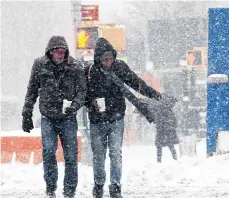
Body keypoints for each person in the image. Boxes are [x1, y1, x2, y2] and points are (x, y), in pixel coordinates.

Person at [84, 38, 161, 198]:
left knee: (115, 153)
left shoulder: (119, 67)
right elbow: (81, 93)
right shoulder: (90, 72)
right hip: (96, 121)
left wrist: (154, 94)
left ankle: (115, 186)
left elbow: (136, 83)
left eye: (110, 58)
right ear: (98, 59)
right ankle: (98, 185)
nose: (108, 62)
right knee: (98, 155)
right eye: (104, 59)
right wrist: (91, 103)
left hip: (116, 118)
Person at [22, 36, 86, 198]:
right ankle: (51, 187)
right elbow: (32, 90)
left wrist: (75, 106)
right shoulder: (40, 65)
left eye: (63, 52)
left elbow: (81, 91)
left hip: (68, 118)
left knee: (71, 155)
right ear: (50, 52)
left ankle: (69, 191)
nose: (60, 55)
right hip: (48, 117)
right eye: (57, 52)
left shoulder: (75, 66)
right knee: (49, 151)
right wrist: (26, 114)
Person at [153, 94, 179, 163]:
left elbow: (157, 120)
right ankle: (174, 159)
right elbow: (172, 121)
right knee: (169, 146)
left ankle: (159, 161)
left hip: (163, 131)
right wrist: (171, 125)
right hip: (165, 131)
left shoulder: (164, 109)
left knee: (161, 147)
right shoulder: (166, 110)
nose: (173, 104)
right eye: (173, 103)